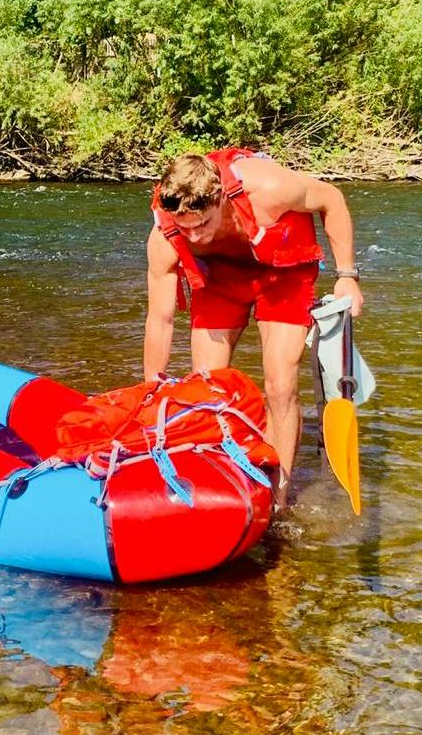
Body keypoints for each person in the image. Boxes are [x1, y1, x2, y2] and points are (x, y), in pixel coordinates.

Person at [143, 148, 363, 508]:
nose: (195, 237)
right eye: (186, 228)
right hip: (222, 278)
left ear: (220, 199)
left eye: (203, 224)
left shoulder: (269, 187)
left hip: (285, 271)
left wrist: (347, 277)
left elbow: (332, 199)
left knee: (279, 384)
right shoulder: (165, 235)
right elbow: (161, 318)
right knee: (208, 386)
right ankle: (225, 479)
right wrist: (152, 386)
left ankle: (278, 494)